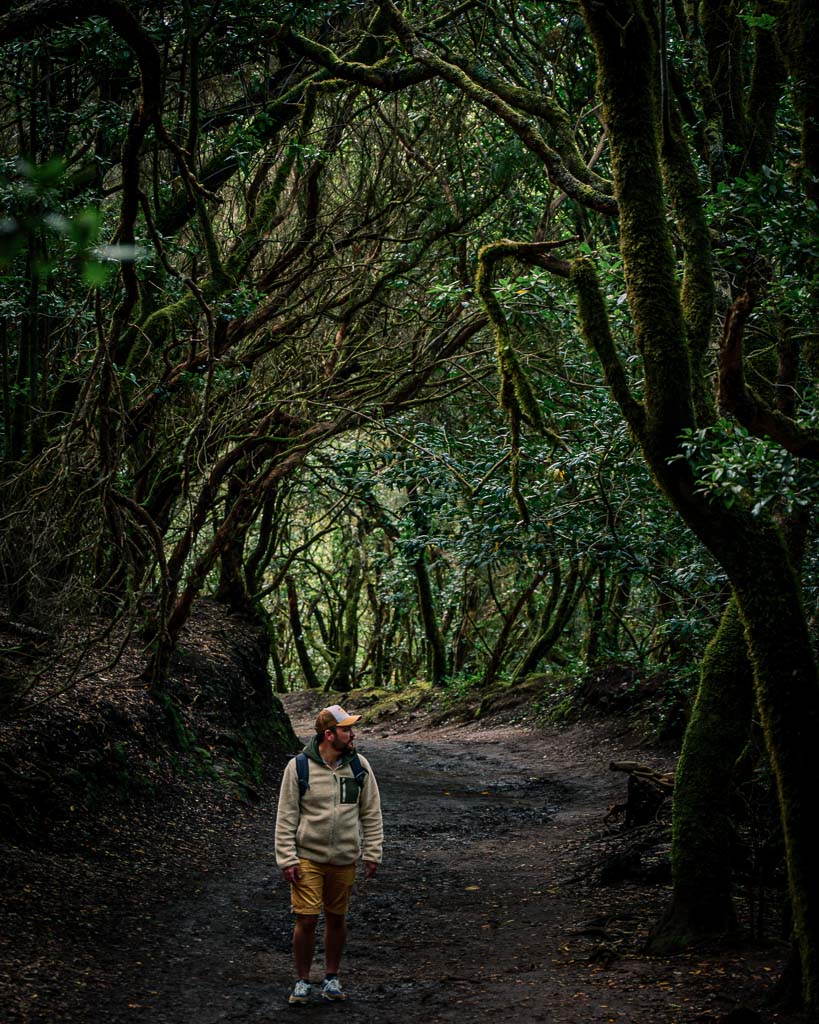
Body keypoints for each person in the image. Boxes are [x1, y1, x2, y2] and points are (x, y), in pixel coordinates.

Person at [275, 704, 383, 1005]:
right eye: (346, 729)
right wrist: (287, 857)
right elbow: (286, 815)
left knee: (337, 918)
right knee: (307, 919)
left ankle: (331, 977)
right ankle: (302, 981)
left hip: (345, 858)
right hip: (307, 856)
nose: (353, 734)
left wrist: (372, 851)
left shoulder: (359, 766)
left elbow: (371, 812)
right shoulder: (299, 767)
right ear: (329, 734)